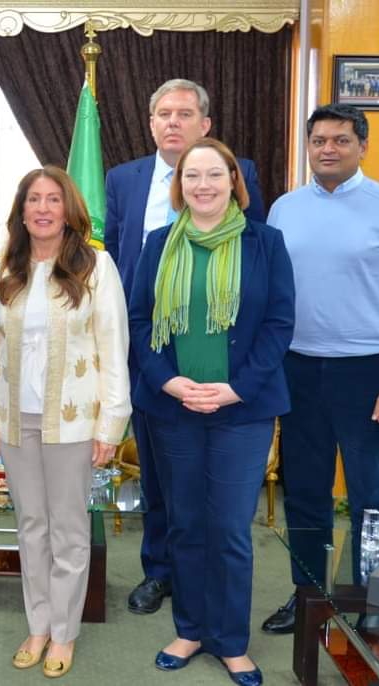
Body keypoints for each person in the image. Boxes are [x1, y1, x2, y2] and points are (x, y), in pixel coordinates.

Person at [260, 104, 379, 635]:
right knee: (305, 492)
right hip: (298, 369)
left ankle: (371, 600)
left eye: (340, 140)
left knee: (369, 496)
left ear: (363, 146)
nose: (327, 149)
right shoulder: (285, 209)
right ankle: (308, 594)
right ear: (308, 147)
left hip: (369, 371)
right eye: (318, 141)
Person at [129, 138, 294, 686]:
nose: (202, 185)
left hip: (241, 410)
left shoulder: (265, 243)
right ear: (179, 186)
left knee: (228, 528)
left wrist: (235, 389)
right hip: (172, 407)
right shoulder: (158, 244)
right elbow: (138, 321)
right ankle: (191, 629)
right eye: (191, 176)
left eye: (214, 174)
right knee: (184, 523)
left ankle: (230, 642)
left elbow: (279, 325)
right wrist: (168, 381)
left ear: (233, 182)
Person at [104, 79, 267, 615]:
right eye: (164, 114)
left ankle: (212, 575)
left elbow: (255, 262)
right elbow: (116, 262)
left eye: (185, 113)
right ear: (151, 124)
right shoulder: (123, 179)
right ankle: (160, 571)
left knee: (218, 485)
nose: (173, 122)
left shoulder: (237, 173)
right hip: (150, 349)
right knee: (159, 474)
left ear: (206, 125)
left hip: (221, 350)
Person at [0, 166, 131, 678]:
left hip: (74, 421)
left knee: (68, 528)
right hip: (16, 419)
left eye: (53, 199)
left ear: (68, 210)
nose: (43, 208)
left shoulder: (96, 267)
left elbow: (114, 348)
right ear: (21, 211)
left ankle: (64, 632)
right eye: (34, 199)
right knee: (31, 525)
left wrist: (111, 425)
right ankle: (37, 625)